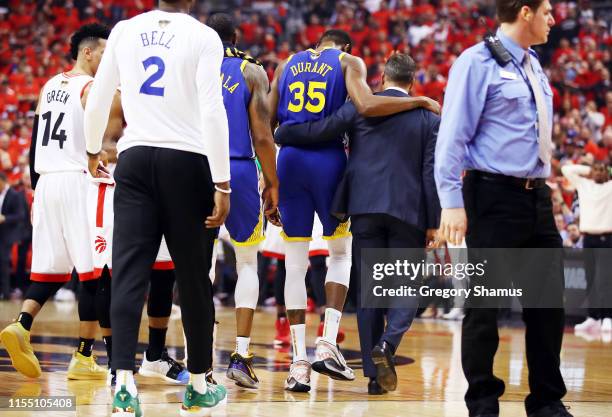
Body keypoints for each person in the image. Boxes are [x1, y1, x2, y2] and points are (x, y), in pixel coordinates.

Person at [268, 28, 440, 392]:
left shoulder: (285, 65)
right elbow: (365, 105)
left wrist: (274, 167)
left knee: (295, 263)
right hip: (333, 168)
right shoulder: (349, 64)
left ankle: (299, 365)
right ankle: (334, 342)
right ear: (345, 47)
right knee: (341, 256)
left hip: (293, 165)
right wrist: (420, 101)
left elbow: (267, 124)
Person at [84, 1, 230, 415]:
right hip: (187, 160)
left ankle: (124, 386)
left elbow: (99, 96)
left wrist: (93, 146)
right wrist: (222, 180)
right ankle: (200, 383)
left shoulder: (125, 30)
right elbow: (211, 109)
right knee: (194, 279)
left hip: (135, 157)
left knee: (129, 275)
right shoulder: (203, 36)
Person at [435, 1, 571, 416]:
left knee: (549, 305)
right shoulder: (476, 62)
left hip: (536, 195)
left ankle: (547, 402)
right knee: (485, 307)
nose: (553, 19)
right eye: (547, 10)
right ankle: (482, 402)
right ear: (525, 12)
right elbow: (452, 136)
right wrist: (452, 202)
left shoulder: (534, 66)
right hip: (492, 196)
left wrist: (550, 178)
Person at [0, 24, 113, 382]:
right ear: (88, 52)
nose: (106, 60)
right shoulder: (90, 88)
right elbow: (95, 141)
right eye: (104, 53)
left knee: (50, 269)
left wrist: (36, 190)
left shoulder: (48, 86)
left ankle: (22, 324)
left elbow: (34, 145)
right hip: (77, 182)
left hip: (46, 183)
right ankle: (86, 356)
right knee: (96, 273)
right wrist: (102, 154)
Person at [206, 13, 279, 389]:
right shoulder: (251, 71)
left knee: (197, 262)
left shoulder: (193, 64)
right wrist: (273, 181)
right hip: (239, 169)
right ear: (236, 36)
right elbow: (263, 136)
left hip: (195, 168)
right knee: (247, 260)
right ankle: (241, 354)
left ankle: (196, 359)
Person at [562, 162, 612, 334]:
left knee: (606, 279)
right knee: (590, 278)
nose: (598, 173)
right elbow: (565, 169)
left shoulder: (610, 187)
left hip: (607, 237)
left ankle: (608, 317)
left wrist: (607, 170)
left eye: (602, 170)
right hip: (588, 238)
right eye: (596, 170)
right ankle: (593, 317)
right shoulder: (584, 184)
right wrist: (588, 170)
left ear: (607, 172)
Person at [0, 172, 25, 300]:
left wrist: (5, 218)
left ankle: (5, 293)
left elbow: (20, 215)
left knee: (4, 262)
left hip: (8, 234)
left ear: (3, 181)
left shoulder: (15, 195)